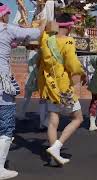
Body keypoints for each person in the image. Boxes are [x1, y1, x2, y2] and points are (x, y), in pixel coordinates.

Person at [0, 2, 45, 179]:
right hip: (2, 85)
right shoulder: (7, 29)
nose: (8, 16)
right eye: (7, 14)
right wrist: (43, 22)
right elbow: (36, 33)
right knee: (6, 127)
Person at [38, 13, 86, 165]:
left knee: (53, 121)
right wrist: (82, 72)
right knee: (78, 118)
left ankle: (54, 158)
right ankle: (57, 147)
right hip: (64, 86)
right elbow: (73, 64)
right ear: (69, 26)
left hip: (51, 86)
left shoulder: (46, 39)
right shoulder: (68, 41)